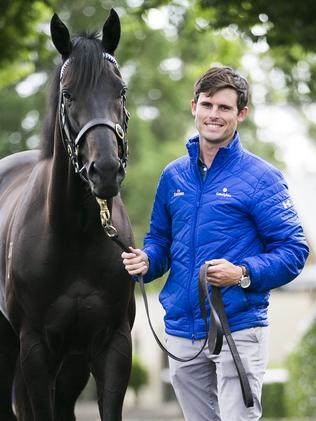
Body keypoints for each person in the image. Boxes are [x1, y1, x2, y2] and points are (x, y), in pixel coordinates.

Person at [121, 66, 309, 421]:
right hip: (181, 329)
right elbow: (160, 240)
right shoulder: (172, 175)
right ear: (194, 106)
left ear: (241, 114)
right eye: (207, 104)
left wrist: (242, 272)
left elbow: (294, 251)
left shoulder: (262, 178)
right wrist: (148, 261)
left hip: (238, 325)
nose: (214, 115)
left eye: (224, 108)